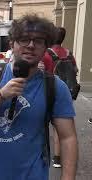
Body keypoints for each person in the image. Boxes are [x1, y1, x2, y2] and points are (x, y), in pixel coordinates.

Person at [0, 15, 78, 180]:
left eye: (38, 41)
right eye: (24, 39)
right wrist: (1, 94)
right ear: (12, 43)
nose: (31, 45)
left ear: (46, 47)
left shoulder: (55, 87)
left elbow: (68, 137)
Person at [41, 27, 79, 168]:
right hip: (67, 92)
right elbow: (75, 71)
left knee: (46, 124)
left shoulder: (47, 54)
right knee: (63, 126)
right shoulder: (69, 53)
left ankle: (55, 156)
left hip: (50, 91)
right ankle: (59, 157)